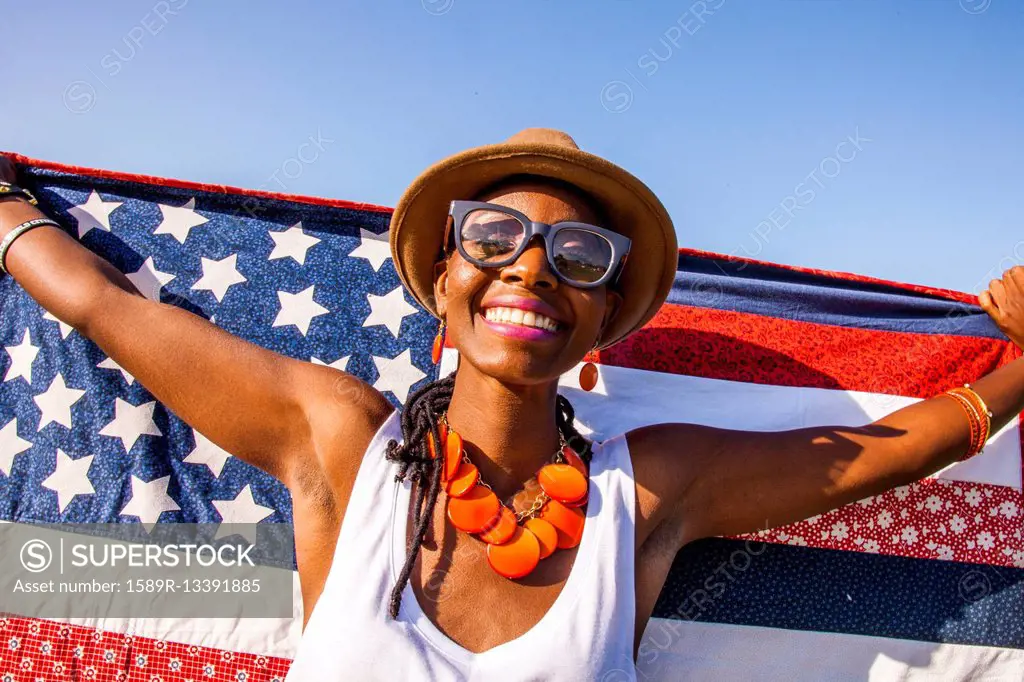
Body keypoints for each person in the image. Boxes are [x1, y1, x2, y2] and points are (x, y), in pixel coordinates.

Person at [1, 128, 1022, 681]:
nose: (529, 269)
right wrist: (4, 208)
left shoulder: (650, 487)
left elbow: (902, 441)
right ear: (444, 281)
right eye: (492, 239)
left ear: (604, 314)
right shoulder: (339, 439)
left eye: (577, 256)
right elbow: (99, 305)